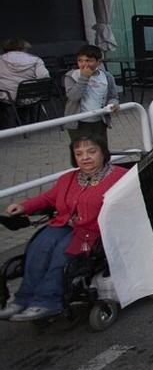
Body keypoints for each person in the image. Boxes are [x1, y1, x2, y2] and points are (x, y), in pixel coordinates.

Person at [0, 135, 127, 321]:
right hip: (64, 225)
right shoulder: (68, 178)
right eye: (79, 153)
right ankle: (23, 299)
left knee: (63, 253)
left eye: (91, 152)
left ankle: (47, 302)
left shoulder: (120, 177)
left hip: (94, 234)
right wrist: (24, 206)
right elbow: (48, 198)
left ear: (103, 153)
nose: (85, 157)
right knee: (39, 247)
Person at [63, 44, 120, 144]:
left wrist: (113, 104)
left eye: (89, 60)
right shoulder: (71, 76)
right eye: (80, 60)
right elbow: (73, 96)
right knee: (83, 153)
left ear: (98, 62)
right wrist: (84, 77)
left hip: (99, 121)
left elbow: (113, 96)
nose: (84, 64)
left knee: (101, 151)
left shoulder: (107, 76)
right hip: (79, 123)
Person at [0, 38, 50, 109]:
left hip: (7, 98)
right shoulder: (36, 60)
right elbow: (44, 78)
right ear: (23, 48)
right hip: (31, 97)